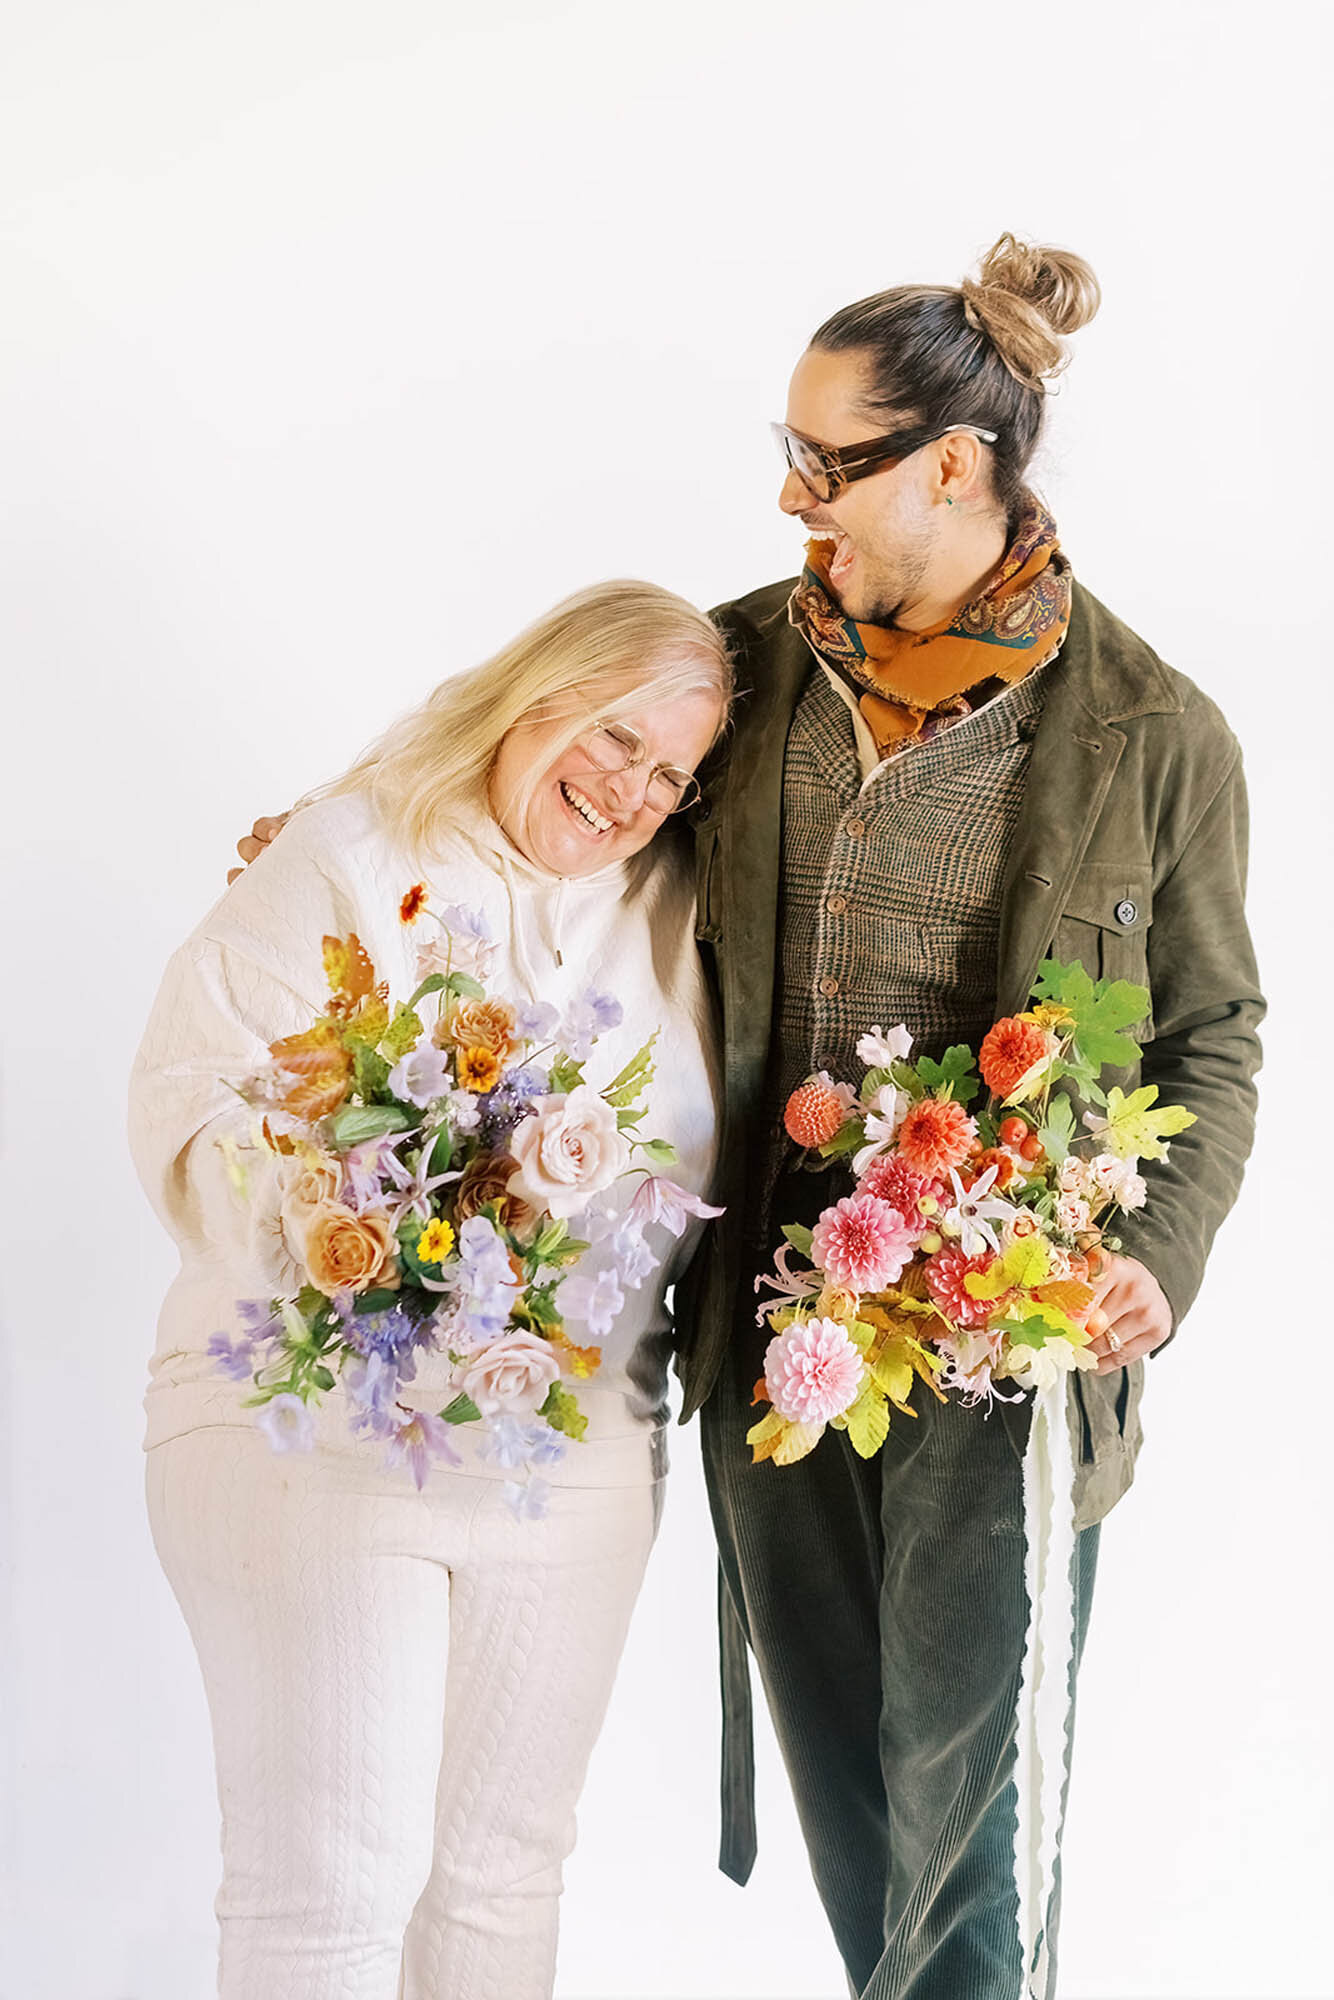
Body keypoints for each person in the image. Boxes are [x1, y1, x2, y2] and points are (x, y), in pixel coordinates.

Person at [671, 235, 1265, 1999]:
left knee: (974, 1804)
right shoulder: (734, 670)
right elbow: (541, 786)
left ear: (954, 463)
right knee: (852, 1791)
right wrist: (348, 849)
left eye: (827, 461)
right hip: (772, 1321)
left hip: (1000, 1337)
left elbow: (1214, 1035)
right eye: (781, 452)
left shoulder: (1152, 730)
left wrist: (1153, 1255)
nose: (792, 498)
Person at [130, 579, 732, 2000]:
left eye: (671, 770)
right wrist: (347, 1204)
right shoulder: (351, 850)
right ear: (537, 695)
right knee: (332, 1887)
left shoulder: (685, 903)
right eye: (611, 735)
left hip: (575, 1453)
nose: (630, 787)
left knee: (502, 1880)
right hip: (318, 1434)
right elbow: (188, 1100)